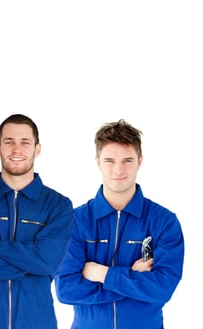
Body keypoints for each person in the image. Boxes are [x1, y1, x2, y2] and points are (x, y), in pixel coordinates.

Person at [54, 119, 184, 328]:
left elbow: (163, 288)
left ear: (140, 161)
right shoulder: (74, 221)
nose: (118, 169)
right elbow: (67, 289)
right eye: (109, 161)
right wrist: (133, 280)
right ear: (97, 162)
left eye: (127, 160)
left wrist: (101, 274)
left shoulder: (164, 222)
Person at [0, 113, 74, 329]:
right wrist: (29, 266)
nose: (16, 149)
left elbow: (47, 262)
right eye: (9, 142)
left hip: (37, 322)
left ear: (37, 149)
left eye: (25, 142)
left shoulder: (58, 206)